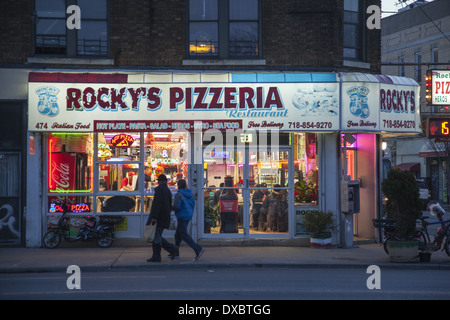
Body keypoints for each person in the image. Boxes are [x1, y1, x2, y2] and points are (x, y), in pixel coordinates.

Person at [146, 174, 179, 262]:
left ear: (159, 181)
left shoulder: (159, 190)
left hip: (159, 218)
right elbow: (168, 205)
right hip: (164, 217)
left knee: (156, 237)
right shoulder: (167, 190)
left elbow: (156, 205)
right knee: (157, 237)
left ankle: (169, 250)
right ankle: (158, 255)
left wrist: (154, 217)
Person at [173, 179, 205, 260]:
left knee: (183, 235)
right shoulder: (190, 194)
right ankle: (175, 252)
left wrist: (169, 206)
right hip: (188, 215)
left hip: (181, 216)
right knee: (178, 235)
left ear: (179, 185)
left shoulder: (179, 194)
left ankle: (198, 249)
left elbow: (176, 206)